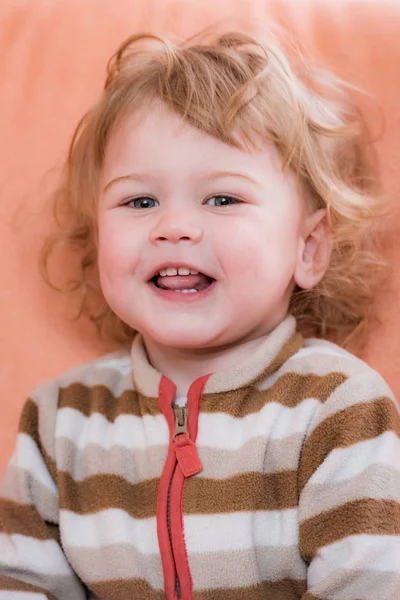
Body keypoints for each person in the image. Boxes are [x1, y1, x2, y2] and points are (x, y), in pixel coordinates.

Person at [0, 26, 399, 600]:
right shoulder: (59, 422)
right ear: (96, 239)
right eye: (140, 201)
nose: (175, 226)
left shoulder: (339, 410)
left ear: (307, 248)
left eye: (222, 199)